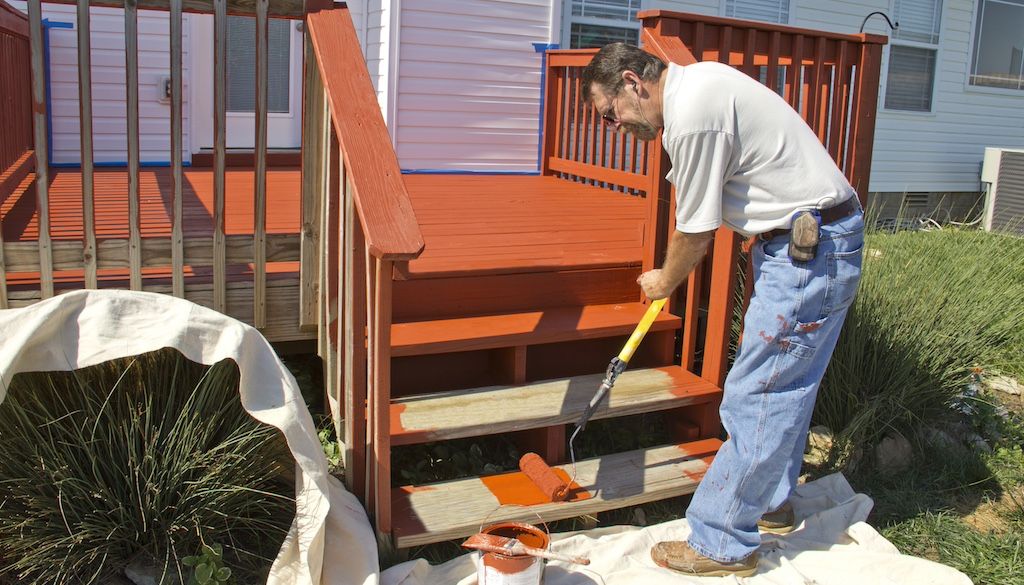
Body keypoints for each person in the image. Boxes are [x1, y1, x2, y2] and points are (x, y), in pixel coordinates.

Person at [581, 43, 864, 577]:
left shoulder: (694, 116)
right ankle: (770, 504)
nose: (614, 124)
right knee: (785, 386)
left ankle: (721, 541)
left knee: (758, 392)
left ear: (630, 83)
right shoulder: (699, 88)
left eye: (609, 111)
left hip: (810, 252)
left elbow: (695, 230)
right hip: (809, 245)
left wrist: (664, 280)